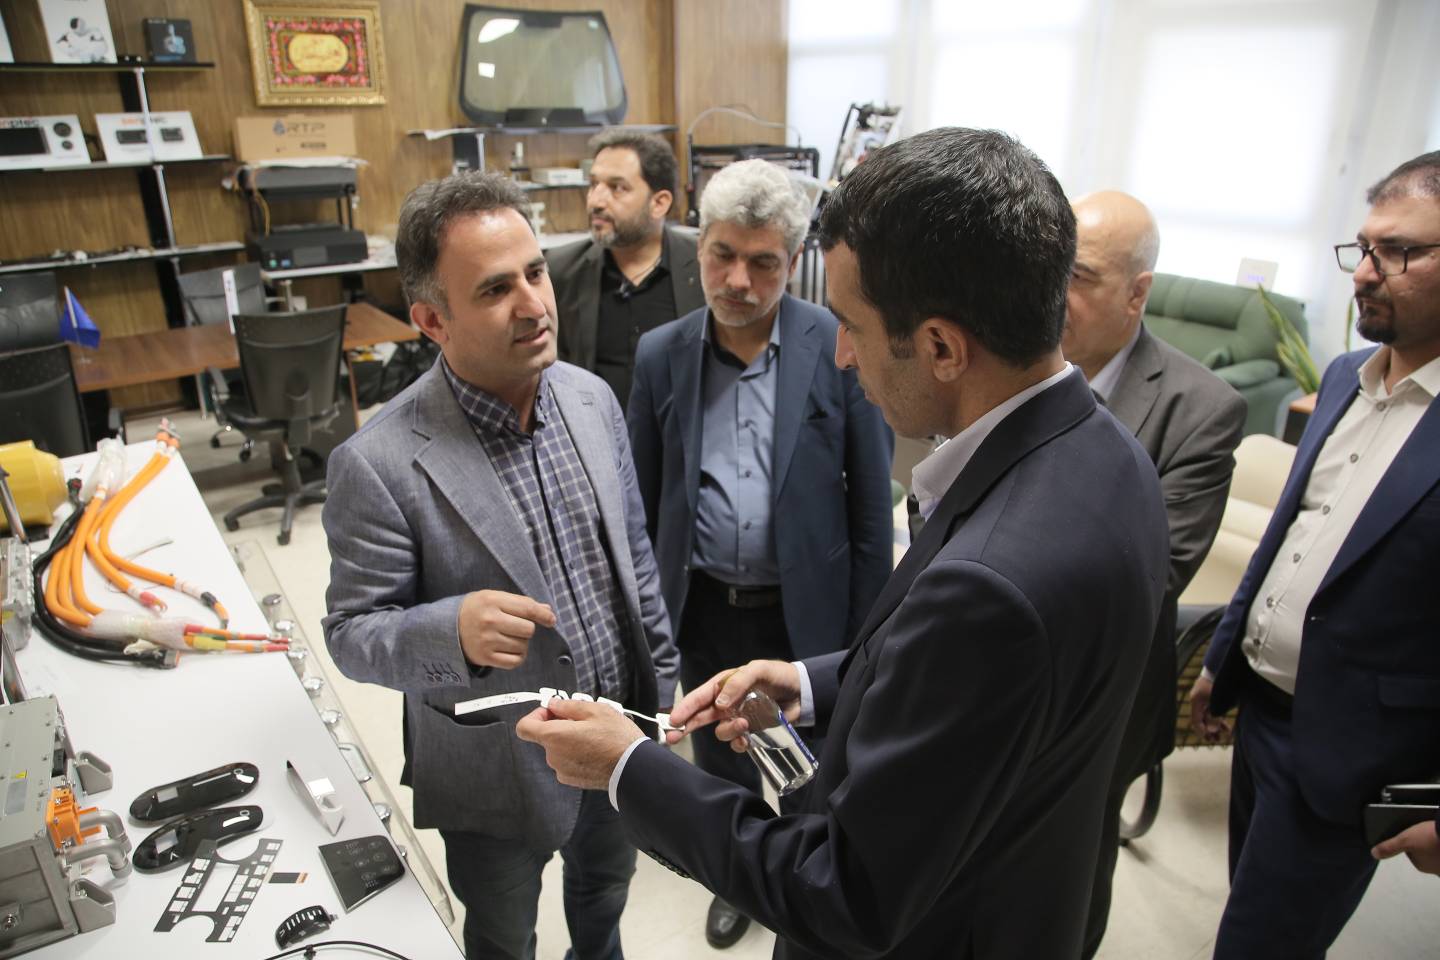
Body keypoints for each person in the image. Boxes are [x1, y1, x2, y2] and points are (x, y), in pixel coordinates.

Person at [515, 127, 1170, 959]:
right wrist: (811, 681)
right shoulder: (1112, 457)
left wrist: (627, 768)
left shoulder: (988, 587)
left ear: (940, 346)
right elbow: (997, 699)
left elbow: (842, 891)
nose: (841, 352)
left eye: (853, 325)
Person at [321, 171, 678, 960]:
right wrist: (449, 631)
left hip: (617, 732)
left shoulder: (591, 400)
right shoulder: (378, 462)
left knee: (604, 896)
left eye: (535, 273)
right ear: (431, 320)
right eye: (494, 289)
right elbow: (350, 634)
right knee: (502, 935)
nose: (533, 305)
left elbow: (635, 561)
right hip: (491, 767)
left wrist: (661, 688)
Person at [626, 159, 895, 948]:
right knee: (725, 759)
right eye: (722, 255)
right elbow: (642, 502)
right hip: (706, 610)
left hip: (807, 615)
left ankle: (814, 886)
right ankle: (735, 882)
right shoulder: (661, 354)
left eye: (763, 262)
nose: (739, 280)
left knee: (813, 766)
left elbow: (870, 508)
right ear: (699, 247)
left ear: (795, 259)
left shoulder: (836, 345)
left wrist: (867, 637)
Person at [1188, 150, 1440, 958]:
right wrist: (1223, 657)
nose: (1365, 273)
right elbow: (1289, 535)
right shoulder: (1341, 377)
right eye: (1363, 248)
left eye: (1399, 252)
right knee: (1247, 910)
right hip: (1261, 711)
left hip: (1354, 746)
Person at [1063, 191, 1246, 959]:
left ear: (1137, 293)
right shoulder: (1012, 360)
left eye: (1079, 276)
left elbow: (1156, 568)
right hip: (992, 675)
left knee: (1072, 878)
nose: (1054, 293)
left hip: (1101, 694)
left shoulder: (1201, 407)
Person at [548, 130, 705, 409]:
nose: (596, 201)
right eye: (593, 184)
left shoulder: (704, 267)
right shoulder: (561, 272)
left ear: (659, 203)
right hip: (596, 431)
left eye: (617, 187)